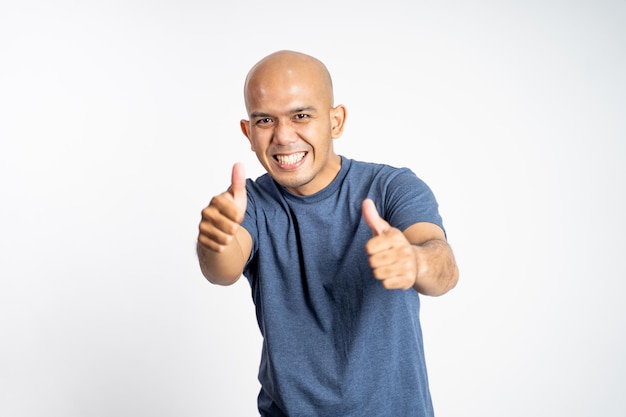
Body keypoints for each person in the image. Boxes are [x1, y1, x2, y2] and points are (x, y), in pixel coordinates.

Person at [197, 50, 459, 417]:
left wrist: (414, 261)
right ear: (248, 132)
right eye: (265, 120)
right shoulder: (248, 203)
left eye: (301, 115)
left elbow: (442, 265)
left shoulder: (393, 187)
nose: (283, 136)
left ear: (336, 122)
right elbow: (221, 269)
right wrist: (214, 241)